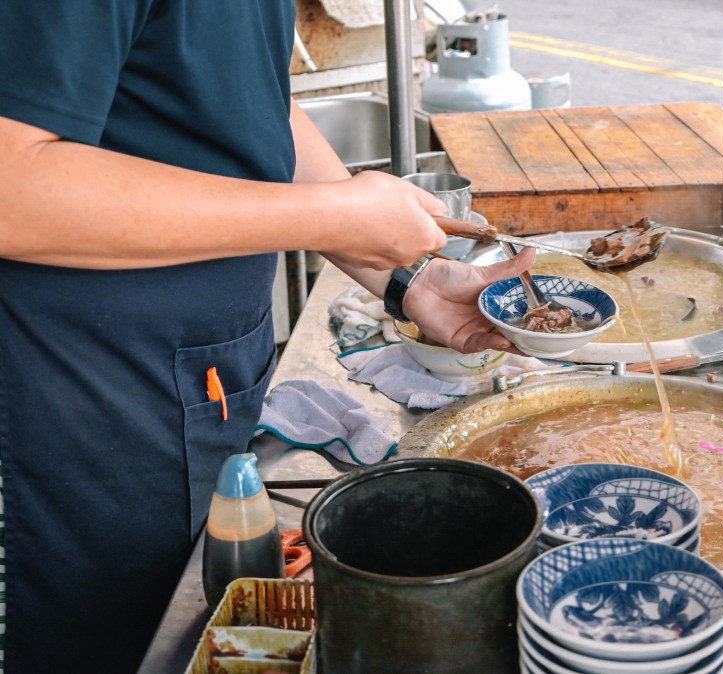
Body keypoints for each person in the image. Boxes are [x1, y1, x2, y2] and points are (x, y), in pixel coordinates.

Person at [0, 2, 534, 672]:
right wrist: (334, 215)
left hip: (201, 385)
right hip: (76, 408)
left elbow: (248, 98)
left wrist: (408, 277)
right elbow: (12, 189)